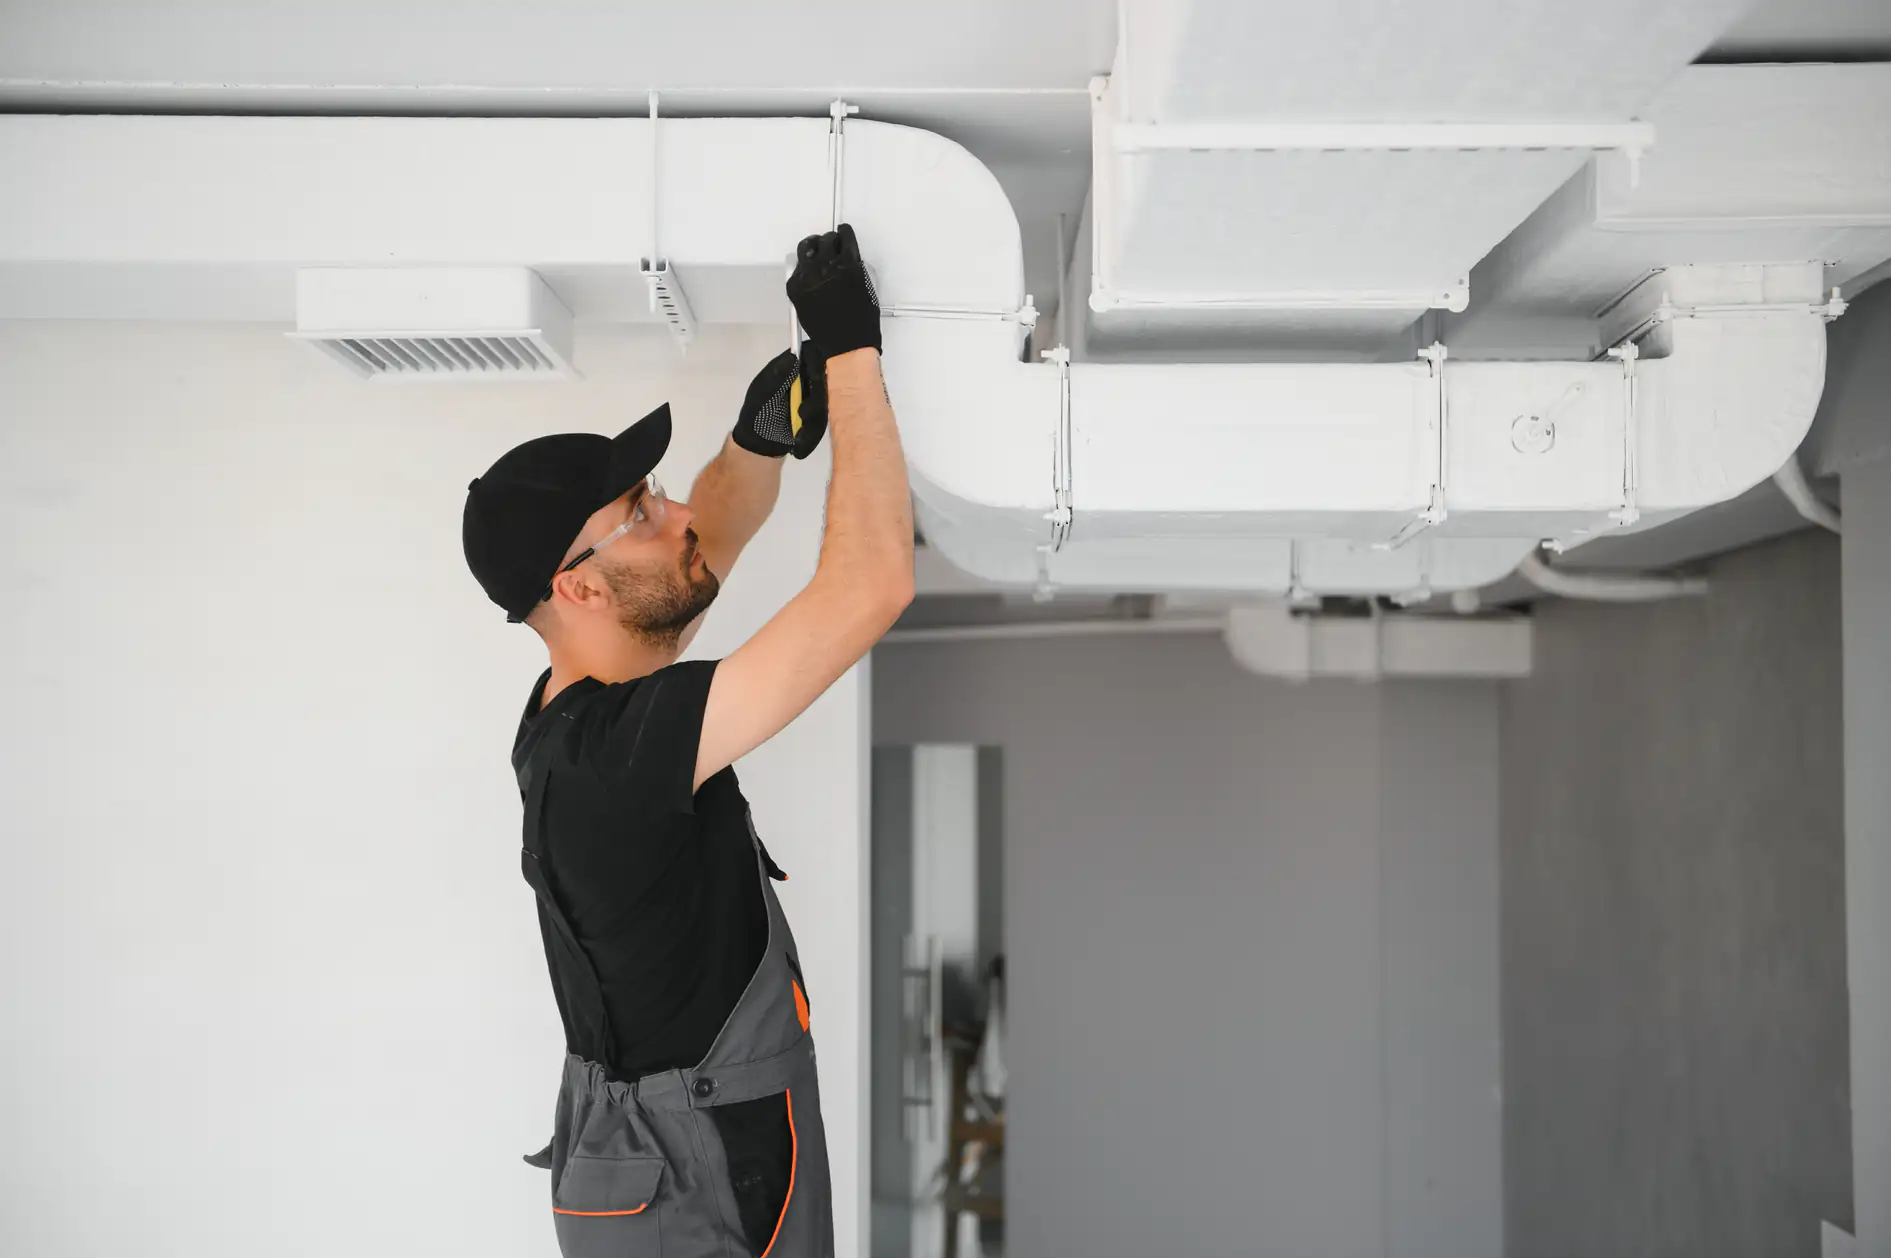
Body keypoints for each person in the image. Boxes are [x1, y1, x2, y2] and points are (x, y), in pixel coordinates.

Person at [460, 224, 912, 1258]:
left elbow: (707, 538)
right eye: (639, 507)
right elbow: (872, 584)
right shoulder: (614, 753)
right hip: (691, 1170)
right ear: (576, 584)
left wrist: (754, 443)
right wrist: (850, 356)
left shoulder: (591, 698)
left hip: (684, 1146)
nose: (673, 513)